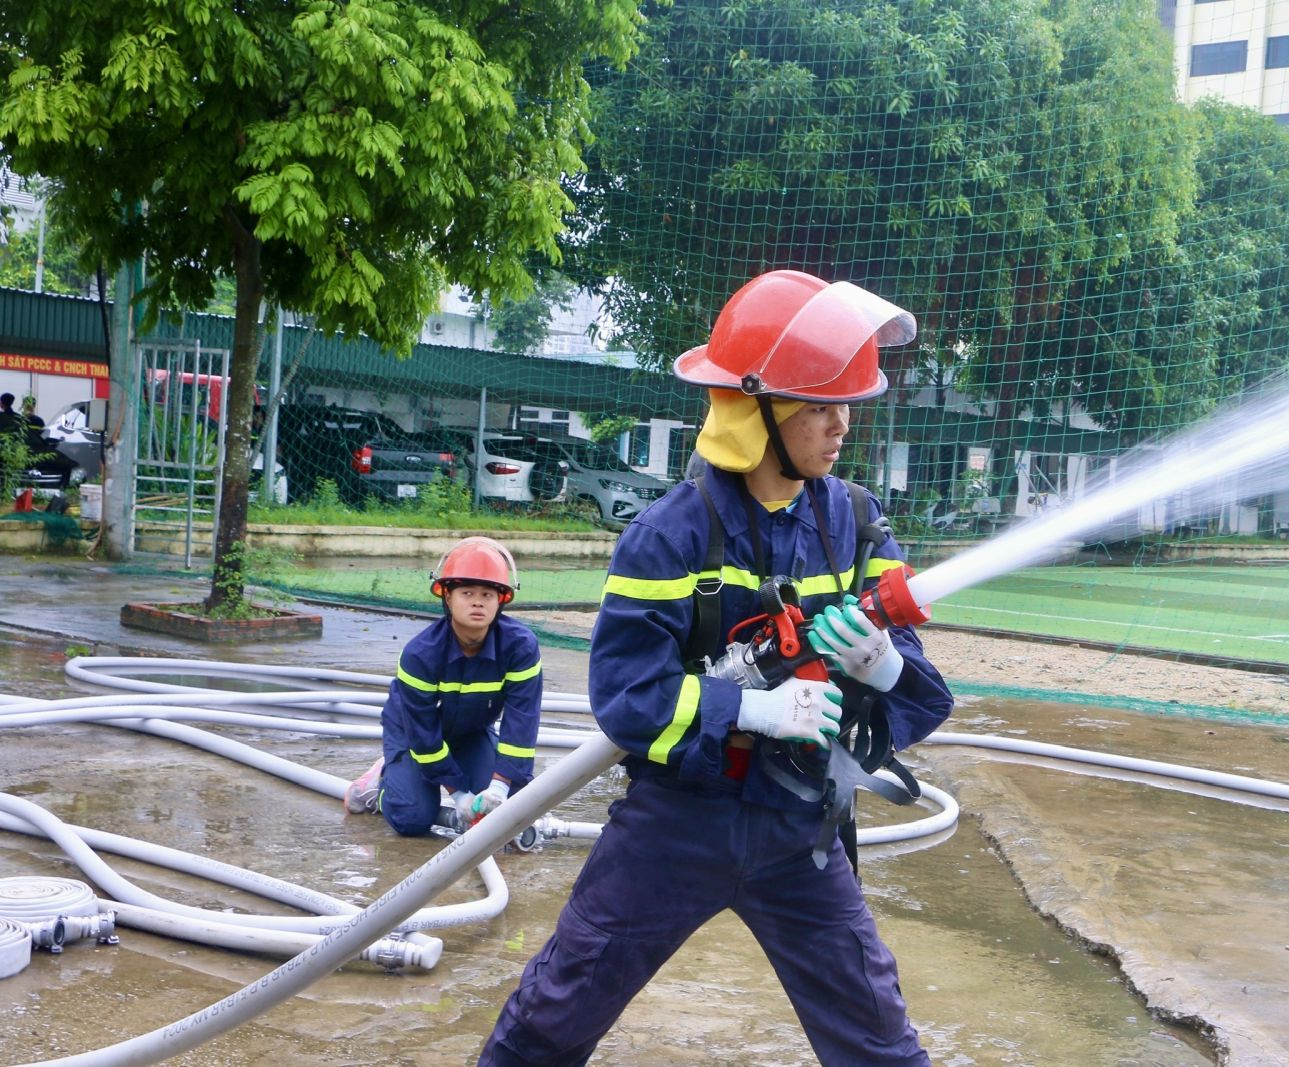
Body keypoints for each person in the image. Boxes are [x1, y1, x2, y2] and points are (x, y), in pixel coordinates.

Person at [479, 270, 954, 1066]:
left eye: (846, 404)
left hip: (800, 825)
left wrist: (877, 668)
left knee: (881, 1041)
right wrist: (751, 711)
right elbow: (627, 698)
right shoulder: (669, 536)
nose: (841, 424)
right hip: (677, 824)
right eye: (819, 404)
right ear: (756, 408)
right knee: (550, 1020)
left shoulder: (857, 522)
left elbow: (920, 694)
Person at [345, 535, 544, 836]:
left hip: (470, 732)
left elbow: (522, 725)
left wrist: (501, 787)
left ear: (501, 600)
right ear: (446, 596)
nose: (478, 601)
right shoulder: (420, 655)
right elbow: (423, 737)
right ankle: (380, 784)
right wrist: (459, 795)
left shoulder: (520, 648)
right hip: (413, 738)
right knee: (412, 818)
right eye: (467, 592)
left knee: (509, 812)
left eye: (488, 594)